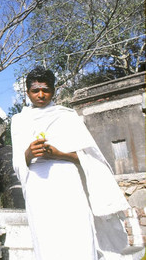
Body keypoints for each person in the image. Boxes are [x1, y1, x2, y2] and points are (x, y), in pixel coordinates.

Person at [11, 66, 130, 260]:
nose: (41, 95)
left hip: (68, 185)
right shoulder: (19, 121)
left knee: (78, 238)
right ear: (27, 93)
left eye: (46, 89)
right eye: (35, 90)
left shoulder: (66, 116)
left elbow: (90, 159)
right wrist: (29, 154)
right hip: (38, 189)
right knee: (46, 240)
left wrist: (59, 154)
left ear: (53, 91)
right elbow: (18, 164)